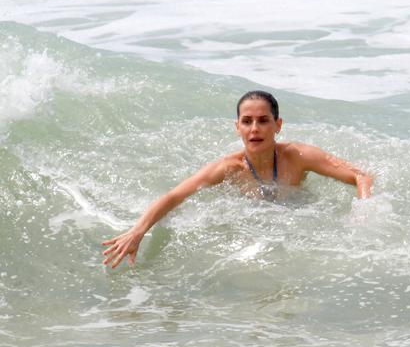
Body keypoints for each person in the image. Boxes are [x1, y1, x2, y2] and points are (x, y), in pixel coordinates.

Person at [102, 90, 373, 268]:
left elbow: (360, 176)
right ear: (237, 127)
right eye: (247, 121)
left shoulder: (298, 156)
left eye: (263, 120)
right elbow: (174, 197)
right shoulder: (229, 168)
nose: (255, 129)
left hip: (301, 218)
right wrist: (138, 231)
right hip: (252, 232)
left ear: (278, 125)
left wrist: (363, 214)